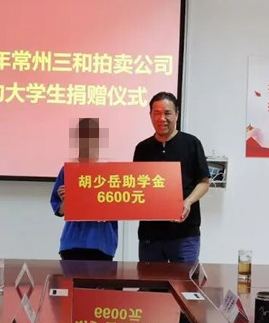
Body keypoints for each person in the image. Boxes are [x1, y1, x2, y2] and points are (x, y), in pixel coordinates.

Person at [133, 92, 210, 263]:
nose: (162, 118)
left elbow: (204, 182)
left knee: (184, 279)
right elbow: (137, 186)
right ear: (150, 115)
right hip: (150, 236)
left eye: (167, 113)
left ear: (177, 114)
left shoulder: (191, 143)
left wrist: (188, 202)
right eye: (157, 113)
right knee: (150, 280)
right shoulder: (142, 148)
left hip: (184, 234)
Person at [50, 118, 118, 260]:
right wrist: (68, 199)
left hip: (102, 243)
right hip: (73, 242)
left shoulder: (110, 171)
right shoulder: (69, 170)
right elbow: (60, 210)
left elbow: (119, 205)